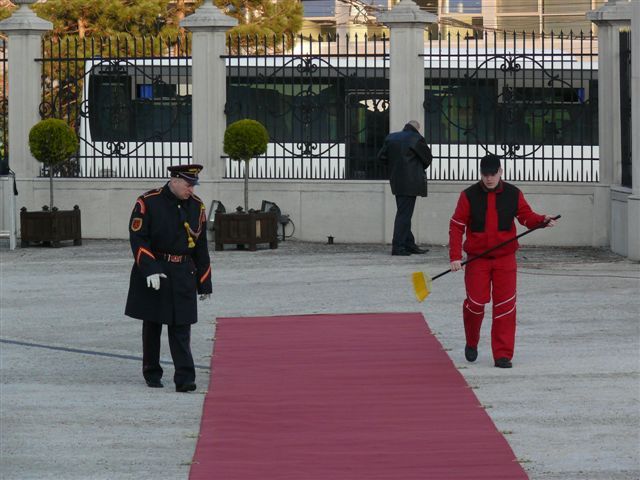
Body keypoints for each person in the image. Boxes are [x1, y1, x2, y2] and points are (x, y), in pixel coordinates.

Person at [449, 154, 557, 368]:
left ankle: (502, 355)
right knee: (475, 304)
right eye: (485, 174)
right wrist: (455, 256)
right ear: (480, 174)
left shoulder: (513, 193)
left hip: (505, 259)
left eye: (493, 173)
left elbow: (526, 217)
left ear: (501, 172)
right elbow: (457, 225)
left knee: (505, 306)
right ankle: (472, 342)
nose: (489, 178)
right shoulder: (468, 195)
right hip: (477, 260)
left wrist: (542, 221)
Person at [125, 164, 212, 392]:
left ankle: (185, 378)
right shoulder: (148, 202)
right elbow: (138, 238)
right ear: (174, 180)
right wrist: (149, 268)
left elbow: (200, 246)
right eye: (188, 184)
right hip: (157, 268)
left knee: (181, 326)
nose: (191, 190)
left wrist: (205, 282)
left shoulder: (197, 206)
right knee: (153, 324)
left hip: (183, 271)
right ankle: (152, 372)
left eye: (193, 185)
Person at [377, 120, 433, 256]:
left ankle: (409, 244)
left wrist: (395, 167)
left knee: (404, 213)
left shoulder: (391, 137)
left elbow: (381, 157)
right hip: (411, 181)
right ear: (417, 128)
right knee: (404, 215)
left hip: (396, 181)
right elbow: (427, 159)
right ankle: (398, 246)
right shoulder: (417, 139)